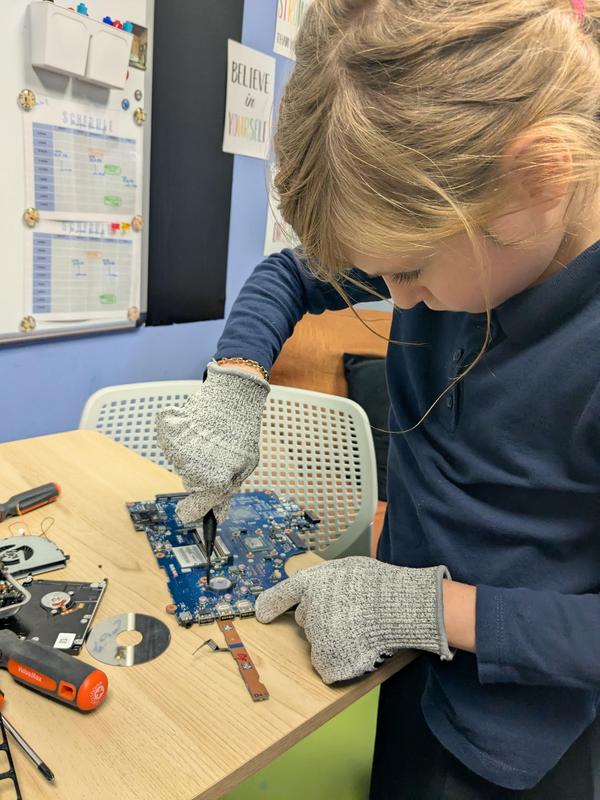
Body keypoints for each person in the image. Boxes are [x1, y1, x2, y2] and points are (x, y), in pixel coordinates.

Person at [156, 1, 600, 796]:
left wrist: (433, 610)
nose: (394, 292)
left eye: (409, 270)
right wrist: (237, 379)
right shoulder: (470, 231)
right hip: (398, 660)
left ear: (539, 178)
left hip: (516, 736)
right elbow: (294, 272)